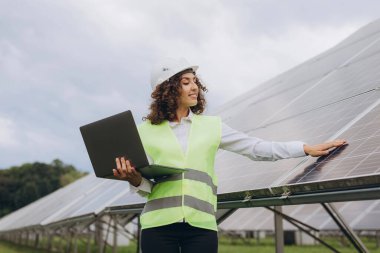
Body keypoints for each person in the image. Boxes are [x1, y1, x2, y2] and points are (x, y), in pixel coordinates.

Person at [113, 57, 347, 253]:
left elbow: (256, 148)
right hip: (158, 227)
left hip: (201, 226)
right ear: (166, 89)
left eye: (195, 81)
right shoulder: (144, 133)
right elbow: (146, 185)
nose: (194, 87)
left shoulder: (213, 126)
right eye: (186, 82)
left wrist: (303, 148)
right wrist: (133, 179)